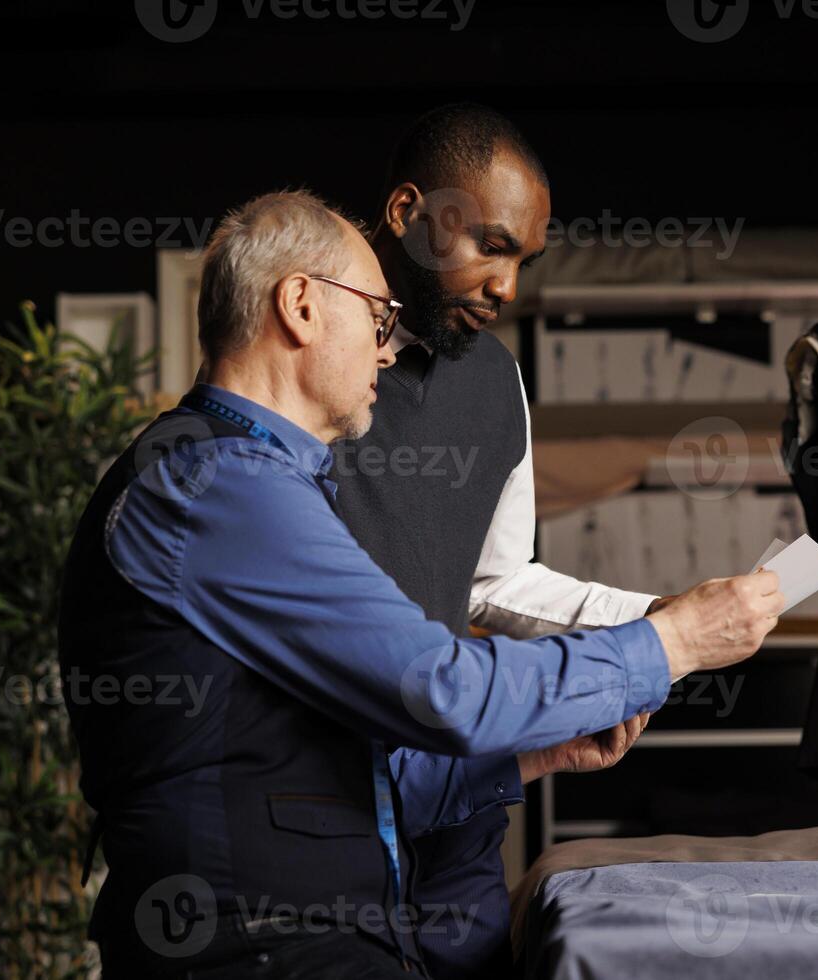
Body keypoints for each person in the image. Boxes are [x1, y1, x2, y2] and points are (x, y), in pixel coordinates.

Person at [58, 189, 784, 977]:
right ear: (300, 305)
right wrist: (672, 641)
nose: (386, 350)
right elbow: (445, 690)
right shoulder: (221, 484)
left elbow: (333, 784)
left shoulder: (247, 478)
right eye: (376, 318)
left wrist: (536, 754)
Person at [330, 103, 678, 978]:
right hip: (322, 794)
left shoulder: (497, 381)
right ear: (408, 213)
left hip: (458, 789)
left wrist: (653, 620)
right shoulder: (307, 358)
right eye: (489, 245)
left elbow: (496, 581)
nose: (508, 287)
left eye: (523, 259)